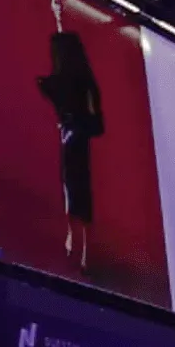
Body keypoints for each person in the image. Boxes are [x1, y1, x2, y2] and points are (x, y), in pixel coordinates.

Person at [37, 31, 104, 271]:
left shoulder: (84, 83)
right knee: (68, 188)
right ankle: (72, 240)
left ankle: (85, 248)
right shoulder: (59, 83)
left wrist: (75, 128)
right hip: (68, 139)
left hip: (78, 141)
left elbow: (97, 123)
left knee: (79, 191)